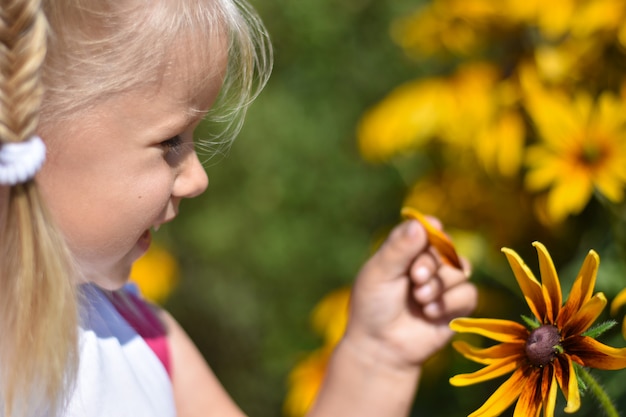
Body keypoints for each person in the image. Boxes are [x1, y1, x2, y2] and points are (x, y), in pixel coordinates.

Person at [0, 0, 477, 416]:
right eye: (170, 142)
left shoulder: (147, 339)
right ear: (19, 128)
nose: (197, 179)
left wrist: (379, 357)